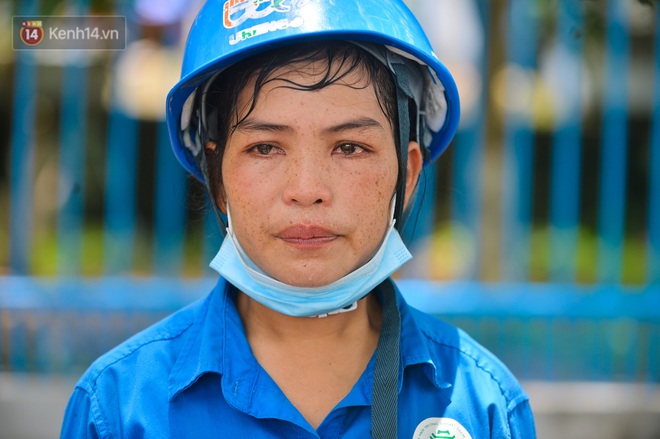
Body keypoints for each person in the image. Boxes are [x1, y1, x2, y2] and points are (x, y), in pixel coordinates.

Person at [61, 1, 536, 438]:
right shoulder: (119, 406)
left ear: (407, 176)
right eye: (264, 148)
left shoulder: (485, 406)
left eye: (350, 147)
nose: (307, 190)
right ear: (217, 177)